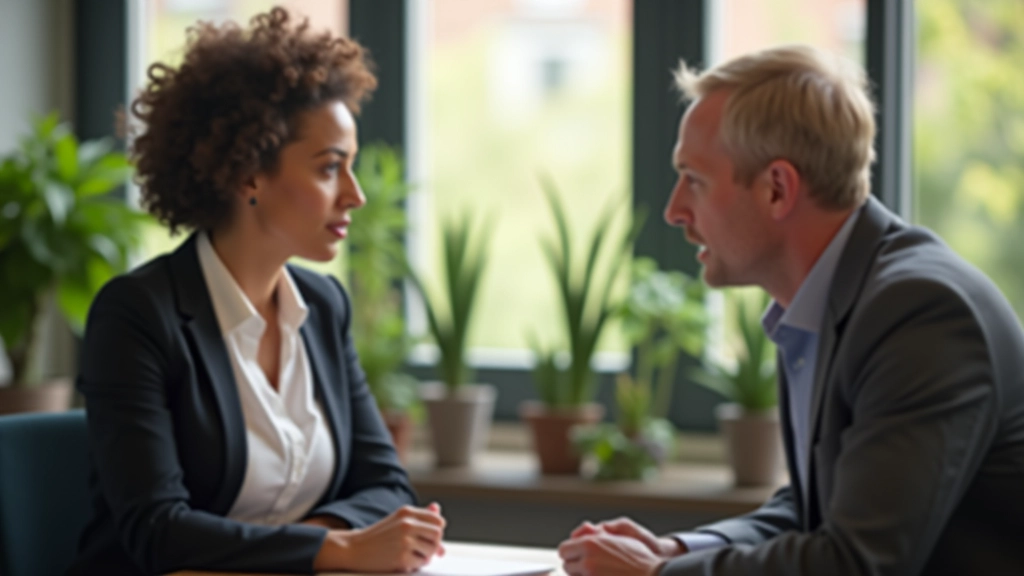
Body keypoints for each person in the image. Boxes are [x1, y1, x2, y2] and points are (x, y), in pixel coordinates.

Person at [557, 44, 1024, 576]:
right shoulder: (837, 294)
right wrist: (676, 552)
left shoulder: (920, 314)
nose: (674, 211)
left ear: (777, 188)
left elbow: (856, 562)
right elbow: (812, 510)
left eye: (695, 180)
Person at [69, 8, 446, 575]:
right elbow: (157, 529)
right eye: (329, 169)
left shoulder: (322, 308)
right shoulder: (139, 315)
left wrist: (300, 545)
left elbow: (387, 485)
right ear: (248, 176)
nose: (356, 194)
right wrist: (334, 549)